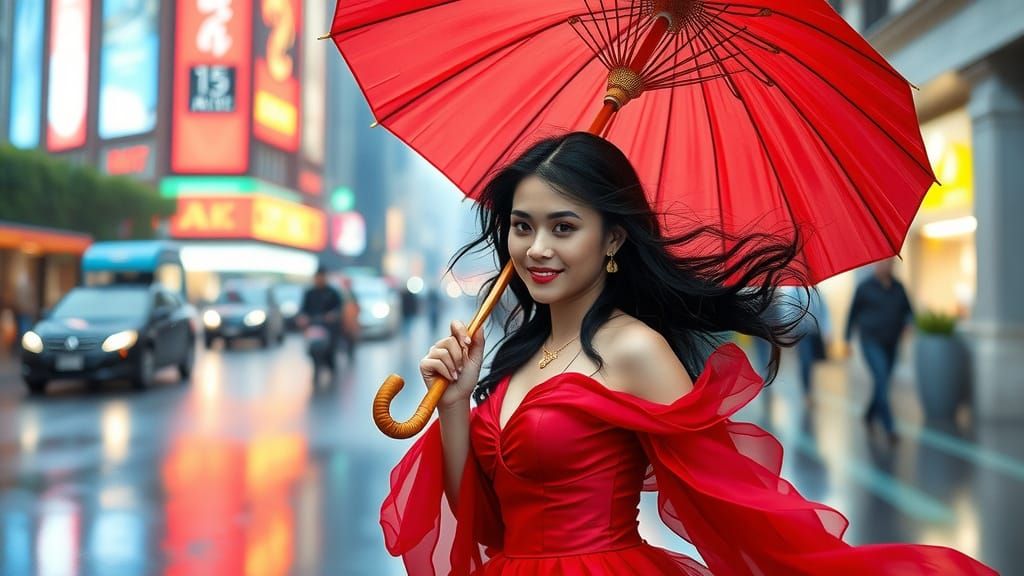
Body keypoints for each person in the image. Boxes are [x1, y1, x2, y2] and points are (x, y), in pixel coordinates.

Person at [382, 133, 993, 575]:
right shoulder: (519, 353)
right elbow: (482, 523)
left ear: (613, 236)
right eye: (523, 225)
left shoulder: (635, 349)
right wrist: (457, 404)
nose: (537, 248)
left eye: (563, 227)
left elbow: (726, 500)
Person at [845, 258, 914, 444]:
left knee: (882, 382)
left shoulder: (899, 287)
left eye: (890, 263)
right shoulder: (865, 287)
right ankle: (890, 428)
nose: (887, 266)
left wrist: (908, 323)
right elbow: (852, 314)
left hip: (892, 342)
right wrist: (847, 340)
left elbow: (909, 311)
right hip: (870, 341)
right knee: (882, 377)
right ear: (876, 265)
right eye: (883, 263)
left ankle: (869, 415)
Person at [297, 266, 344, 377]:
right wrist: (303, 317)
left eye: (321, 277)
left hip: (328, 326)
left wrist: (332, 315)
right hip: (313, 325)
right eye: (317, 277)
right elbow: (303, 309)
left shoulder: (332, 293)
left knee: (331, 346)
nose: (319, 279)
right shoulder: (310, 293)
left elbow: (339, 308)